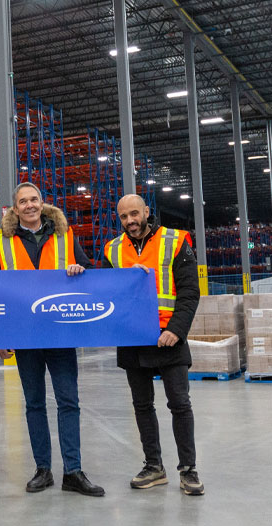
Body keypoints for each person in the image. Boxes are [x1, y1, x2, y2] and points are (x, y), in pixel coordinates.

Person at [0, 182, 104, 497]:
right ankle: (43, 470)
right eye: (23, 201)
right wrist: (0, 335)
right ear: (15, 208)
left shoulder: (65, 236)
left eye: (34, 199)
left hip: (60, 333)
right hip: (25, 336)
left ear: (42, 203)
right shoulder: (1, 244)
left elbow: (88, 274)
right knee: (34, 404)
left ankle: (73, 471)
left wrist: (79, 269)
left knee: (69, 402)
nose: (29, 205)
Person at [103, 194, 203, 496]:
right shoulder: (112, 249)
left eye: (134, 214)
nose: (130, 221)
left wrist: (176, 330)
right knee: (142, 405)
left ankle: (189, 469)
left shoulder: (175, 241)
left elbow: (189, 291)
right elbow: (105, 292)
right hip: (133, 339)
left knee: (180, 404)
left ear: (146, 212)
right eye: (124, 217)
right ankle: (153, 466)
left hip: (168, 337)